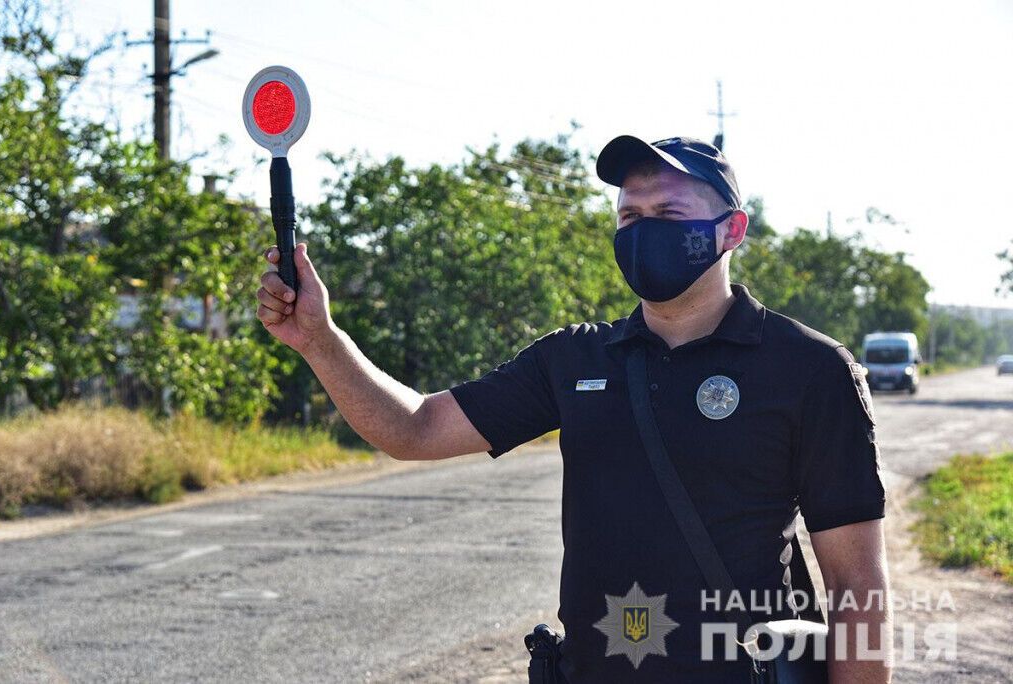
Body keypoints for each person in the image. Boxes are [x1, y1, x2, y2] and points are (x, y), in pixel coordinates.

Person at [255, 135, 893, 683]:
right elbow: (414, 430)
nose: (645, 231)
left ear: (731, 229)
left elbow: (857, 589)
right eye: (629, 217)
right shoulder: (575, 361)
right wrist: (320, 339)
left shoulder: (808, 370)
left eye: (668, 211)